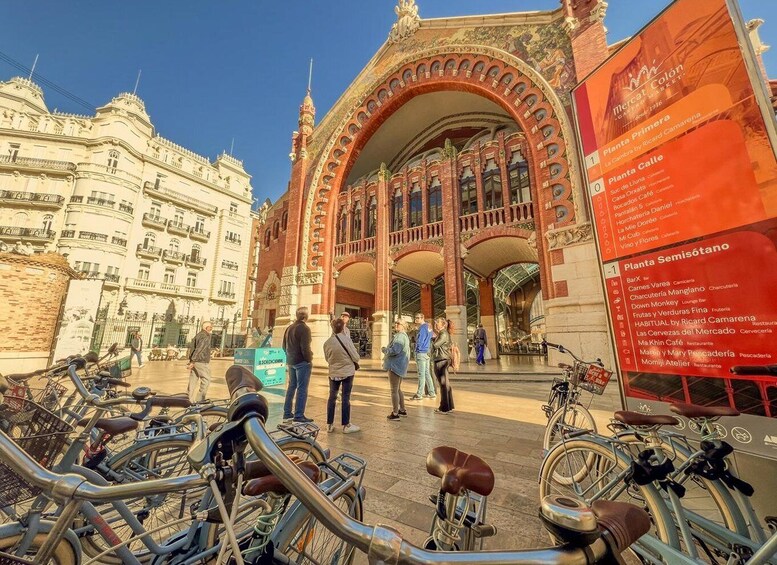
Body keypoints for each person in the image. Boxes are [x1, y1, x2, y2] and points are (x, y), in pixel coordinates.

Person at [322, 318, 361, 434]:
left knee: (332, 397)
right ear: (343, 327)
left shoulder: (327, 343)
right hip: (347, 373)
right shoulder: (347, 340)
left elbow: (327, 358)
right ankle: (346, 425)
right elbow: (356, 357)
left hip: (333, 373)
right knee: (345, 397)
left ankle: (329, 424)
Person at [282, 306, 314, 423]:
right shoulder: (304, 328)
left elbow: (283, 346)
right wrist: (309, 359)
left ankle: (287, 413)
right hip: (301, 362)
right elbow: (305, 347)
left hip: (291, 362)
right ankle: (299, 415)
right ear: (306, 316)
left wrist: (289, 358)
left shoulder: (289, 328)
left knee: (291, 387)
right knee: (302, 389)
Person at [382, 319, 410, 421]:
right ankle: (402, 409)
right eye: (396, 323)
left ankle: (395, 413)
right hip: (400, 365)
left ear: (403, 326)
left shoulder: (400, 337)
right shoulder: (404, 336)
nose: (396, 325)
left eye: (399, 324)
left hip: (395, 366)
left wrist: (385, 350)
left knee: (394, 390)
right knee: (398, 389)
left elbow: (395, 350)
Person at [431, 317, 455, 414]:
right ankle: (449, 406)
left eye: (438, 323)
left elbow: (435, 345)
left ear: (443, 324)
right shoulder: (443, 333)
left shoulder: (443, 333)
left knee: (443, 384)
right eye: (436, 323)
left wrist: (430, 339)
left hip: (441, 359)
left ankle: (444, 408)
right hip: (443, 358)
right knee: (445, 384)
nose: (436, 324)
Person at [410, 313, 435, 400]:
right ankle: (432, 392)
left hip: (421, 352)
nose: (416, 320)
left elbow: (420, 340)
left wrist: (417, 349)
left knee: (421, 374)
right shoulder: (429, 328)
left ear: (422, 318)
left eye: (418, 318)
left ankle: (419, 394)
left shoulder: (423, 327)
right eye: (415, 318)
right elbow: (432, 337)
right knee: (427, 373)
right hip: (427, 352)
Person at [187, 321, 213, 402]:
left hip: (195, 361)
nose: (212, 328)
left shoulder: (198, 335)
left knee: (193, 380)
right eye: (210, 327)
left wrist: (192, 360)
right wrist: (193, 361)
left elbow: (193, 348)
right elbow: (200, 348)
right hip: (201, 361)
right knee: (206, 380)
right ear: (206, 328)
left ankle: (188, 399)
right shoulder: (205, 336)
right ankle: (200, 400)